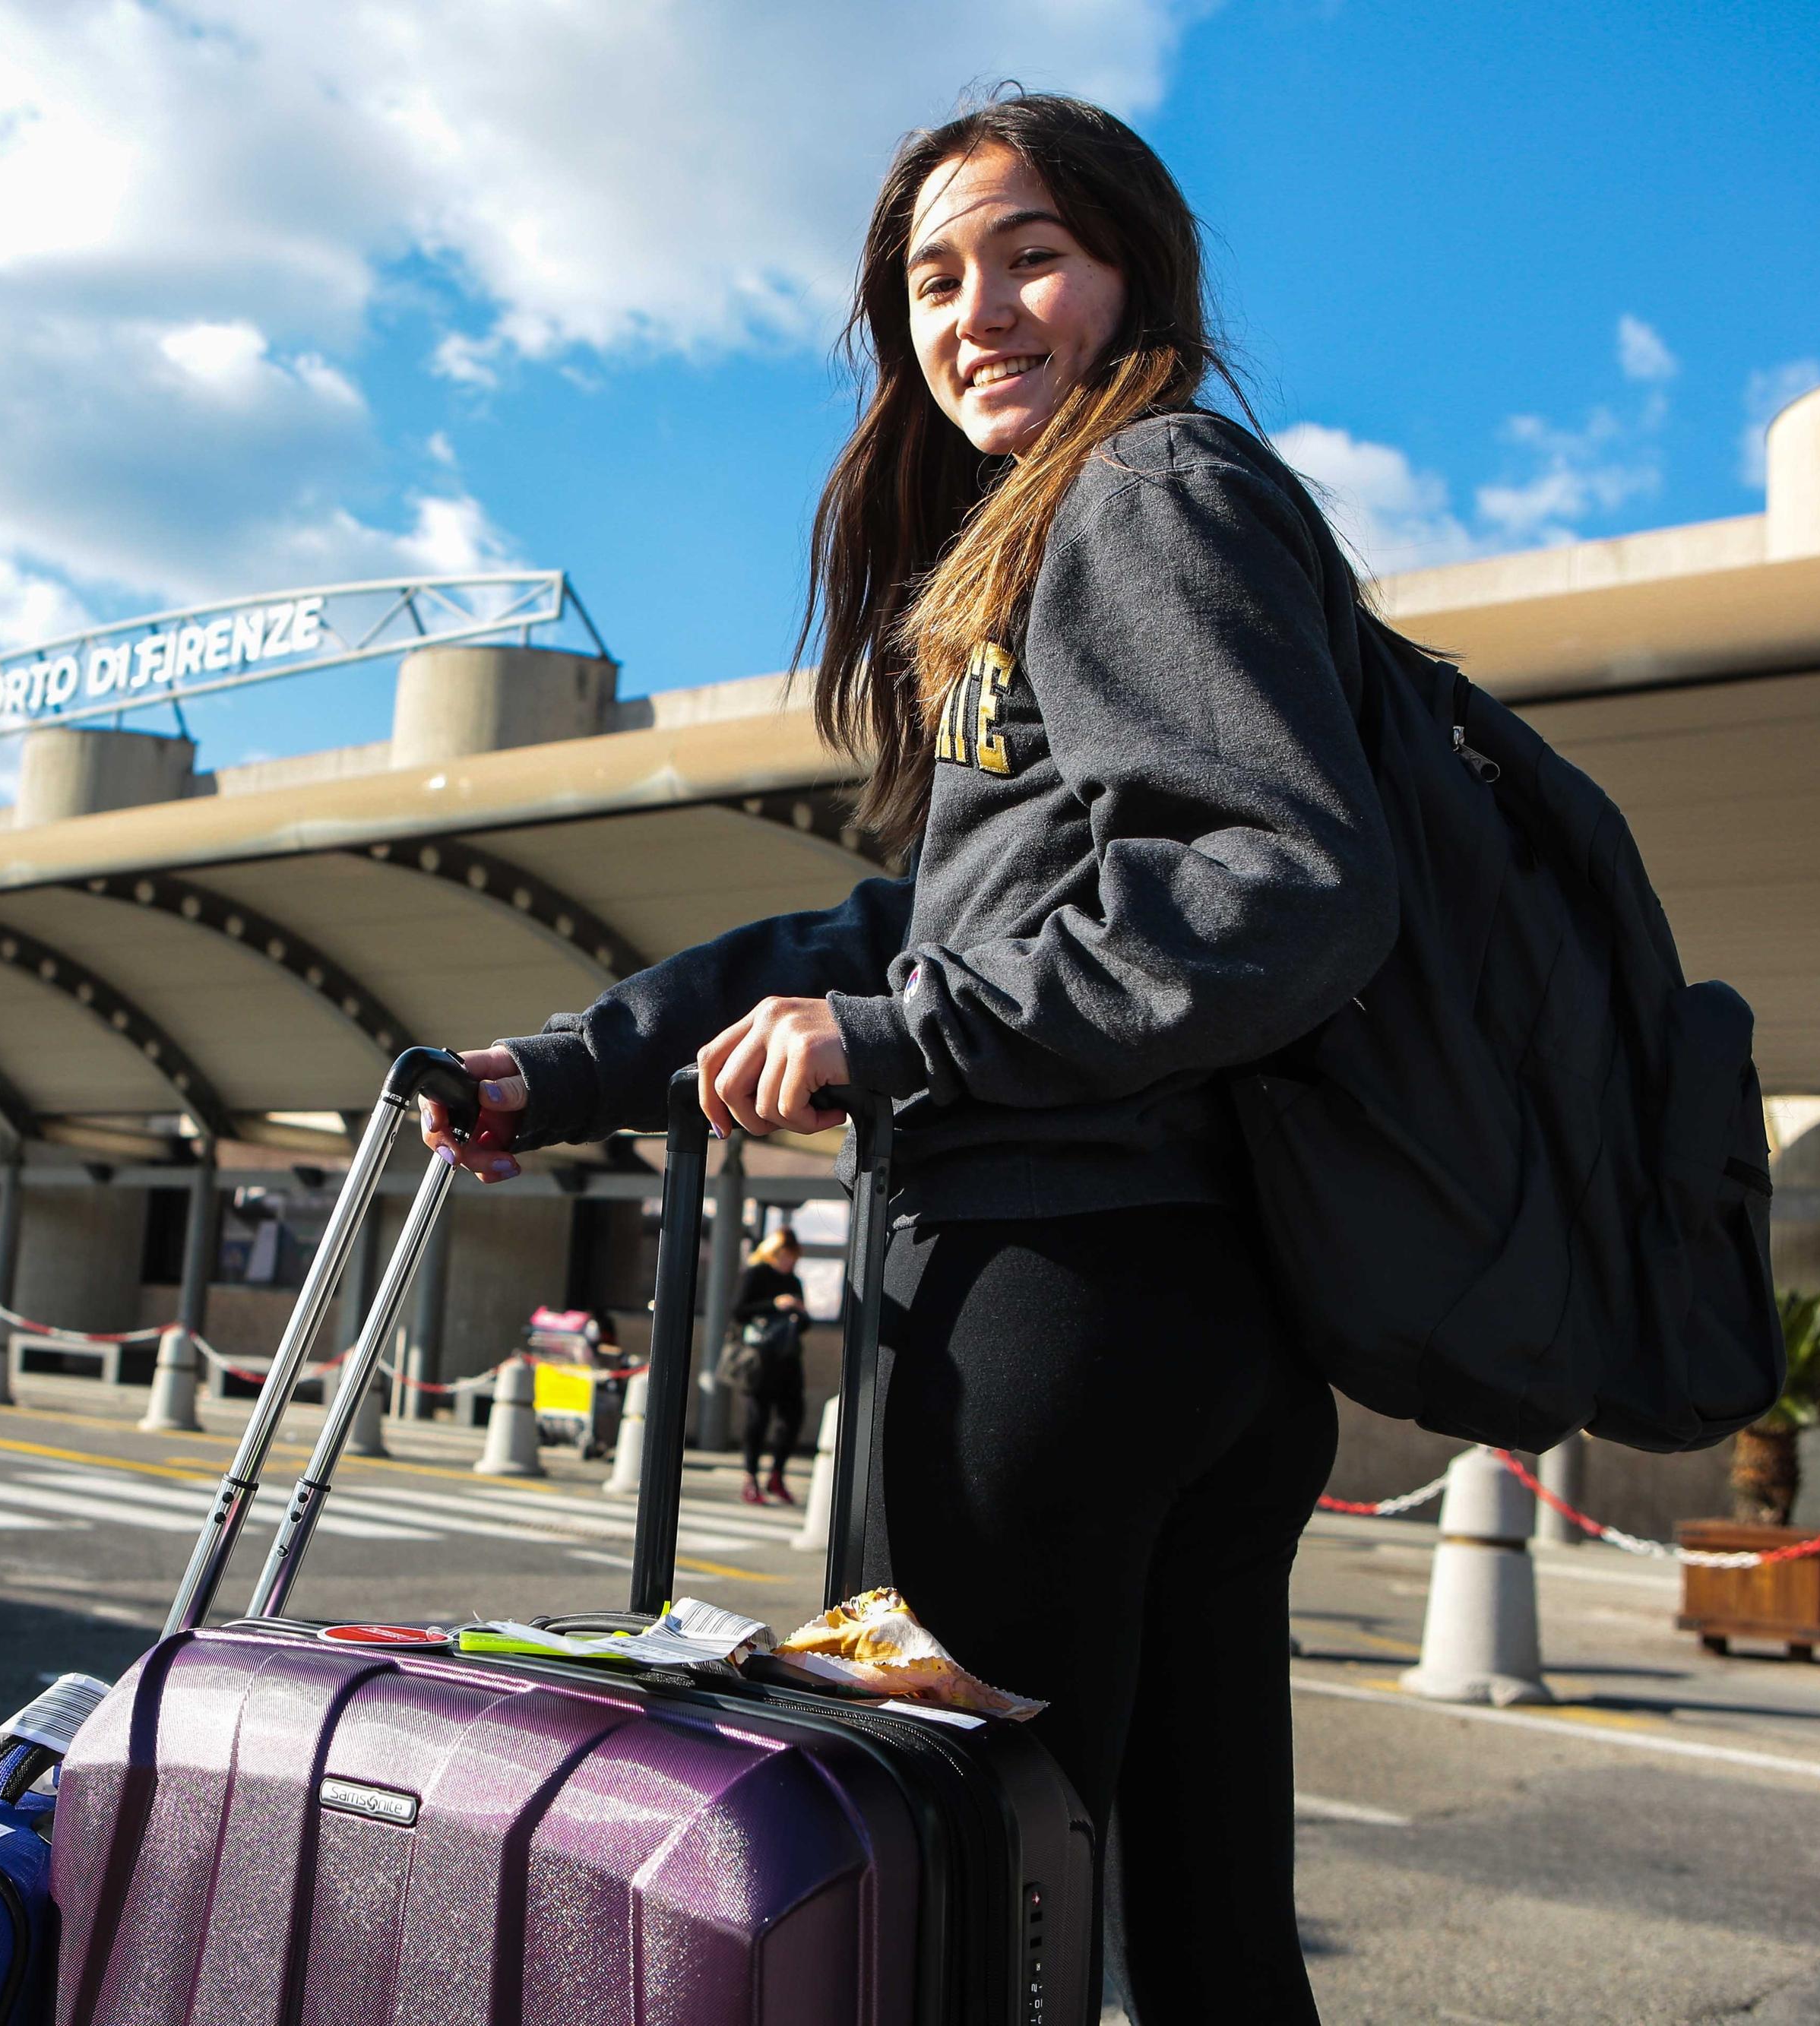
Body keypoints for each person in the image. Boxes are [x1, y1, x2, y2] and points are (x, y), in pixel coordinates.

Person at [422, 92, 1392, 2023]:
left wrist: (890, 1040)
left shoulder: (1145, 492)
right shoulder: (1070, 532)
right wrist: (588, 1061)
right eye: (931, 280)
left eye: (1031, 252)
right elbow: (924, 932)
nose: (977, 311)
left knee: (954, 1899)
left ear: (1135, 274)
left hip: (1054, 1309)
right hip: (1191, 1315)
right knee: (1200, 1922)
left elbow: (1284, 882)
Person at [722, 1230, 810, 1505]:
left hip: (787, 1358)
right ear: (773, 1252)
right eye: (785, 1256)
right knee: (757, 1419)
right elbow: (738, 1310)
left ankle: (777, 1475)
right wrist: (775, 1304)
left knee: (793, 1416)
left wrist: (799, 1311)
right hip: (759, 1359)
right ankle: (751, 1479)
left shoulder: (794, 1280)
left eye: (792, 1258)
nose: (788, 1263)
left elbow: (805, 1325)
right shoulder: (756, 1274)